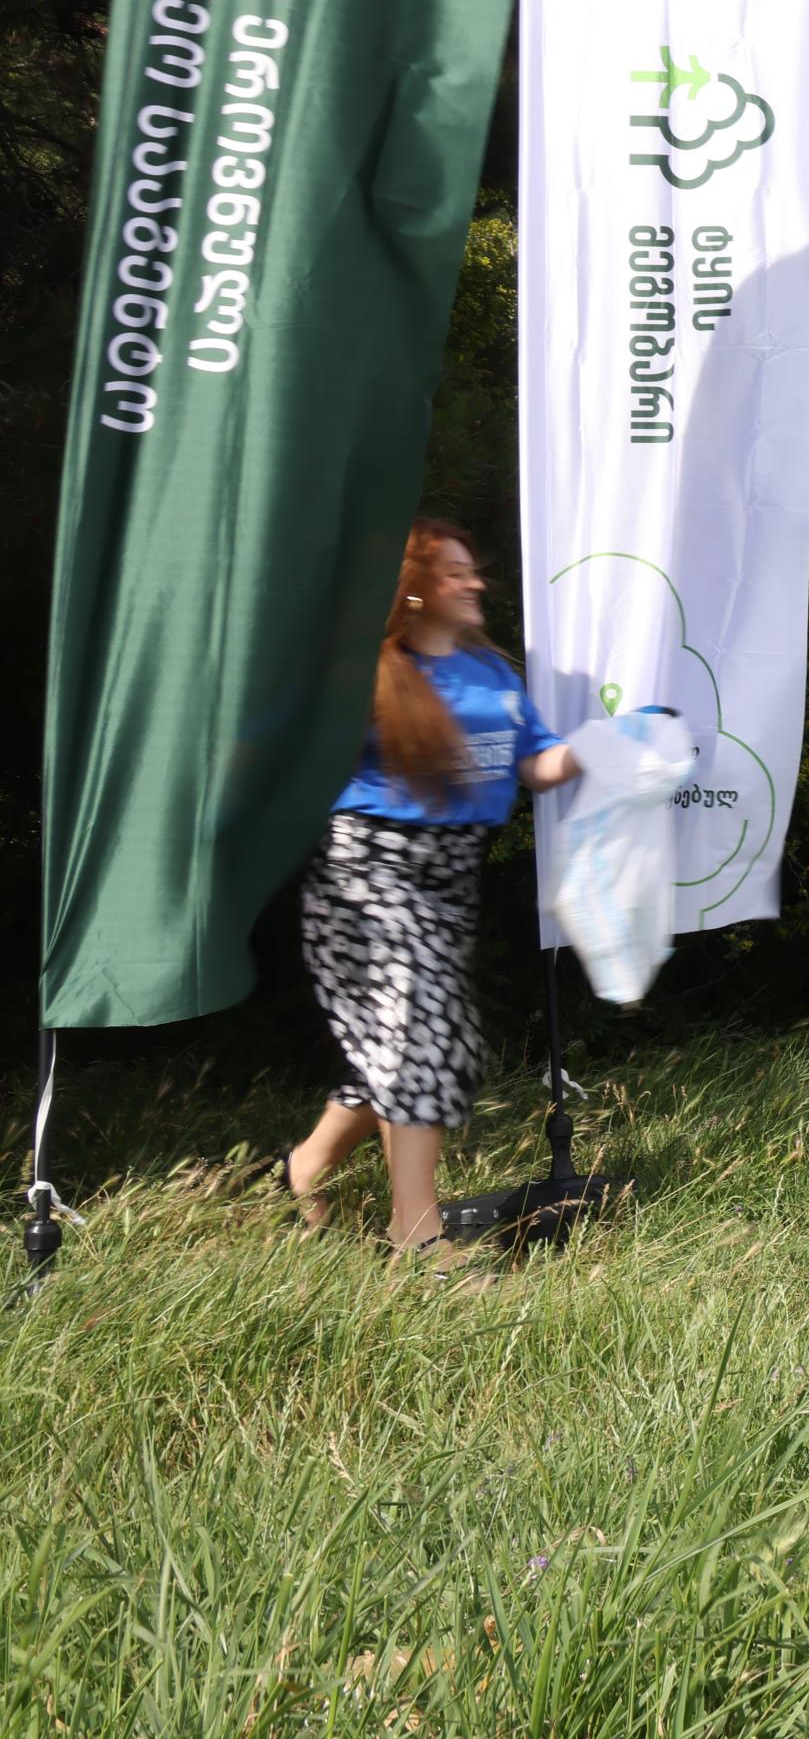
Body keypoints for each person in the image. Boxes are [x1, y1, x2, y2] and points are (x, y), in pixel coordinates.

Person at [282, 520, 574, 1254]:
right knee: (422, 1034)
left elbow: (537, 765)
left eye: (472, 570)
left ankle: (307, 1166)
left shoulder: (492, 674)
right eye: (454, 572)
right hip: (365, 870)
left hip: (451, 877)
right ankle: (417, 1238)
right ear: (411, 588)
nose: (475, 582)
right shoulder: (368, 672)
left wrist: (617, 744)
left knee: (406, 1040)